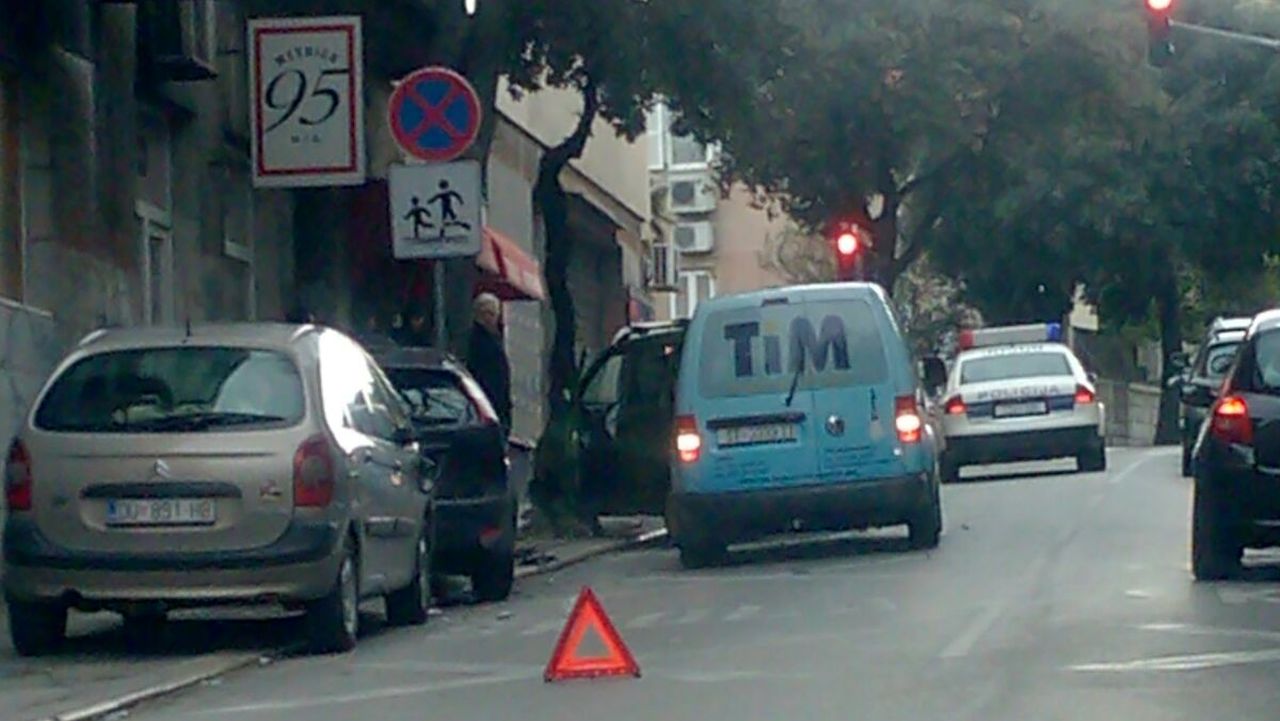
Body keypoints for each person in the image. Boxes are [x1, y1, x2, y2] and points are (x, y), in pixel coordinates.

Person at [467, 292, 513, 435]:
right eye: (490, 313)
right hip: (490, 405)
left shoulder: (491, 338)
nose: (493, 318)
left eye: (495, 314)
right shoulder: (481, 342)